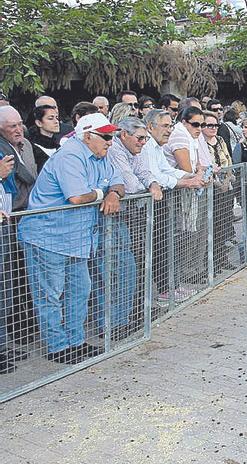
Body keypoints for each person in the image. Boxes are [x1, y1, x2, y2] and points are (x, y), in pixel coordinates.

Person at [18, 113, 125, 365]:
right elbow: (77, 197)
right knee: (50, 294)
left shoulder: (100, 155)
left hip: (77, 240)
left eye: (112, 136)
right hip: (48, 237)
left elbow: (119, 181)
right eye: (106, 136)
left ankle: (75, 342)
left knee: (79, 290)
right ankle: (57, 346)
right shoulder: (70, 156)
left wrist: (114, 195)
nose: (111, 142)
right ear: (88, 136)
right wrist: (103, 192)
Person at [104, 117, 163, 337]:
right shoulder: (116, 150)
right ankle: (118, 321)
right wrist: (149, 188)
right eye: (140, 138)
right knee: (120, 268)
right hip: (119, 216)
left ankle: (135, 311)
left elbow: (145, 173)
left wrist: (154, 183)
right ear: (124, 135)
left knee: (137, 264)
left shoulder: (135, 150)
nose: (143, 143)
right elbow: (129, 183)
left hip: (134, 212)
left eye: (146, 138)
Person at [141, 109, 204, 305]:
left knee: (166, 244)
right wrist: (186, 182)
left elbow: (166, 170)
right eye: (165, 126)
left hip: (161, 202)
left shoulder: (157, 146)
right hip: (148, 205)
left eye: (170, 125)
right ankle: (163, 290)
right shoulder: (147, 146)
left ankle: (171, 286)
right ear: (151, 127)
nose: (169, 130)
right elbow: (155, 175)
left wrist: (189, 177)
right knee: (157, 247)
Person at [0, 106, 37, 373]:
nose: (18, 129)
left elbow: (27, 176)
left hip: (8, 220)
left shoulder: (17, 147)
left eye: (19, 124)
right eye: (11, 126)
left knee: (7, 286)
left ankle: (3, 344)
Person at [201, 111, 237, 270]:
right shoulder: (200, 143)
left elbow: (228, 160)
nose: (213, 128)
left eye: (216, 125)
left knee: (223, 225)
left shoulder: (221, 140)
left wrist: (228, 180)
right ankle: (210, 262)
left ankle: (221, 257)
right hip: (211, 187)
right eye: (209, 125)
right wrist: (218, 184)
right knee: (211, 226)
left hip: (225, 186)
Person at [30, 105, 61, 169]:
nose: (56, 121)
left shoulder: (60, 147)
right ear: (39, 123)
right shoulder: (32, 149)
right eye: (50, 118)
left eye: (57, 118)